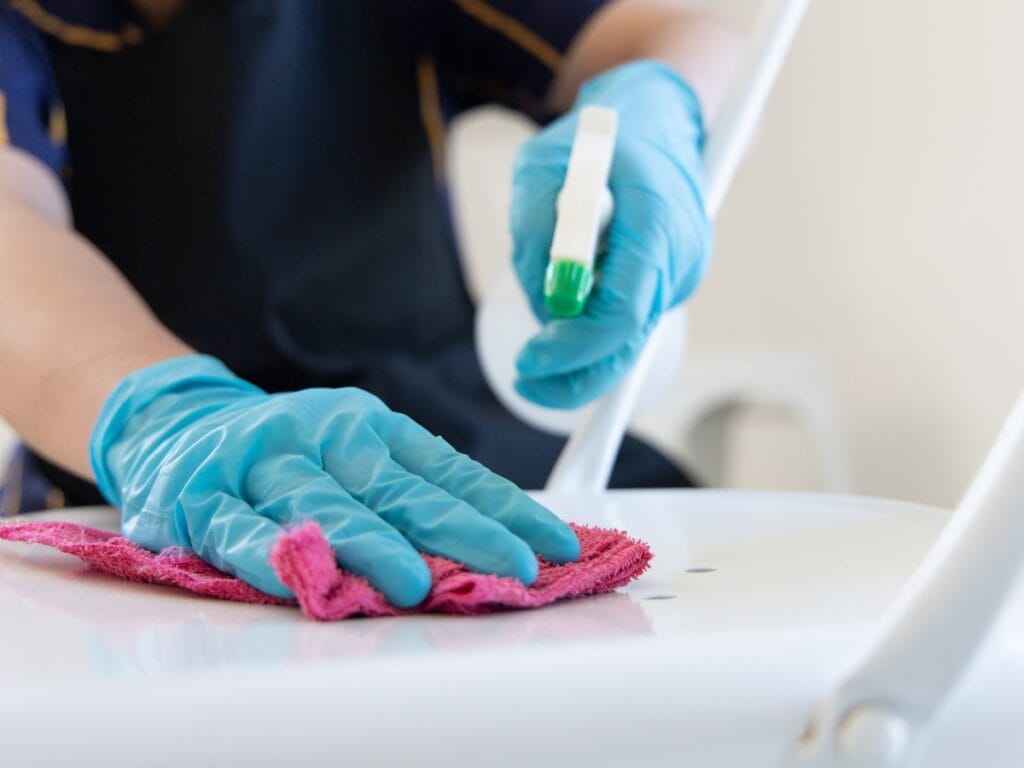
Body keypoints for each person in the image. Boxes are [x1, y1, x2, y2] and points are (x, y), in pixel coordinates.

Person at [0, 0, 741, 607]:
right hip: (166, 495)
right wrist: (164, 416)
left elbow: (673, 34)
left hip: (457, 444)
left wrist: (657, 105)